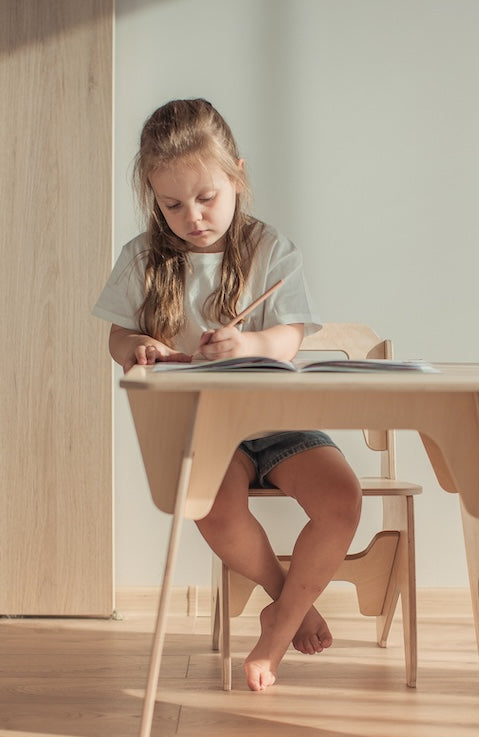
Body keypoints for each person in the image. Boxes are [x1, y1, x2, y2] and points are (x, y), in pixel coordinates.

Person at [92, 99, 362, 692]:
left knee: (342, 501)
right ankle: (288, 603)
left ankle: (277, 629)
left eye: (206, 197)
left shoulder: (271, 250)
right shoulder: (143, 257)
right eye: (171, 204)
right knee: (211, 507)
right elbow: (117, 335)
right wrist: (141, 346)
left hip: (280, 418)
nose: (192, 217)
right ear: (153, 198)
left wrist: (250, 343)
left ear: (237, 175)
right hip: (208, 424)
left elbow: (289, 338)